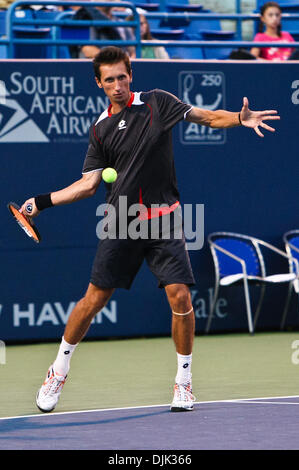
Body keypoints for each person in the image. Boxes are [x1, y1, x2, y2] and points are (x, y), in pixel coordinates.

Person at [21, 46, 280, 414]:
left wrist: (239, 119)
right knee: (93, 300)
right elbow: (87, 185)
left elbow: (206, 118)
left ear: (131, 75)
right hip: (122, 220)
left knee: (180, 298)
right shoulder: (100, 129)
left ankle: (184, 383)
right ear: (99, 83)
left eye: (122, 77)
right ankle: (58, 371)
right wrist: (41, 201)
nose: (117, 85)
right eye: (108, 80)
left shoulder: (158, 103)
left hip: (165, 219)